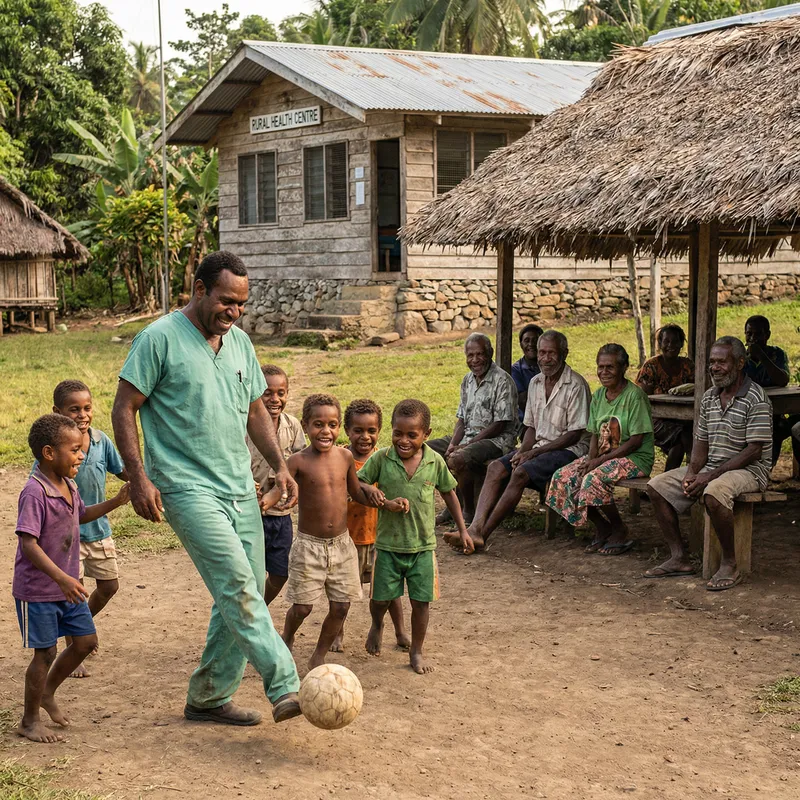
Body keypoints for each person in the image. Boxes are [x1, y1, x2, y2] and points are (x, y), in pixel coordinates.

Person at [112, 251, 302, 727]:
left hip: (239, 486)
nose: (233, 312)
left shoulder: (238, 343)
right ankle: (287, 685)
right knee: (238, 583)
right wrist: (138, 476)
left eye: (240, 304)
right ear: (199, 290)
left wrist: (280, 466)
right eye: (225, 301)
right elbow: (124, 407)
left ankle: (209, 698)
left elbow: (256, 410)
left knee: (246, 586)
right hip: (185, 487)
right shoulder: (159, 339)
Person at [14, 414, 129, 743]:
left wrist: (116, 501)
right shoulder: (34, 492)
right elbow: (28, 544)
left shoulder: (69, 485)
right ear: (49, 453)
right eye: (75, 450)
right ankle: (29, 719)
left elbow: (81, 515)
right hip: (38, 589)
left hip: (66, 585)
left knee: (86, 642)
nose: (82, 455)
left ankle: (47, 693)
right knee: (45, 653)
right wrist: (62, 577)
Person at [645, 336, 773, 591]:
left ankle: (729, 563)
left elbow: (754, 451)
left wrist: (708, 476)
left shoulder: (756, 398)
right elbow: (700, 443)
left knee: (714, 493)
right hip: (713, 467)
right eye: (712, 362)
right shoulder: (709, 398)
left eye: (721, 362)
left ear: (739, 363)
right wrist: (692, 472)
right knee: (656, 486)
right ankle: (678, 557)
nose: (715, 367)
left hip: (749, 470)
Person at [357, 399, 473, 674]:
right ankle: (377, 624)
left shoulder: (435, 461)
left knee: (421, 602)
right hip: (387, 545)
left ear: (427, 434)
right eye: (398, 433)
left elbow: (449, 493)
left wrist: (463, 529)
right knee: (380, 600)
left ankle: (416, 650)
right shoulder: (381, 459)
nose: (403, 440)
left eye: (412, 435)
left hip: (423, 547)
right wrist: (375, 495)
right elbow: (358, 482)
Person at [452, 330, 591, 551]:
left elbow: (574, 434)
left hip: (570, 449)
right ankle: (475, 526)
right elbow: (531, 428)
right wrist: (522, 451)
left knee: (520, 473)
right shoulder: (536, 383)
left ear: (564, 354)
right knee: (497, 467)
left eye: (551, 353)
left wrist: (533, 453)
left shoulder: (576, 385)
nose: (545, 358)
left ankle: (481, 535)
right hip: (539, 447)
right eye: (542, 352)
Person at [281, 393, 390, 670]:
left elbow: (356, 492)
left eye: (332, 425)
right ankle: (287, 636)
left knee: (341, 606)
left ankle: (319, 654)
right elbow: (279, 490)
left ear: (339, 427)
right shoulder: (297, 461)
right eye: (318, 424)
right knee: (303, 607)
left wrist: (383, 500)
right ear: (305, 425)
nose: (325, 431)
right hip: (309, 545)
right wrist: (266, 501)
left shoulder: (344, 457)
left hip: (342, 545)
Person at [48, 380, 129, 679]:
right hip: (68, 537)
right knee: (77, 593)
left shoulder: (100, 440)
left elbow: (122, 470)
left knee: (109, 587)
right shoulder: (54, 450)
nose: (82, 415)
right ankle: (74, 647)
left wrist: (143, 482)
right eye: (74, 409)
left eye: (87, 408)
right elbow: (40, 483)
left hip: (99, 530)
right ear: (58, 412)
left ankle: (79, 628)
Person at [546, 343, 654, 555]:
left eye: (610, 367)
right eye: (600, 367)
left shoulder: (635, 396)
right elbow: (595, 433)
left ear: (624, 368)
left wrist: (597, 463)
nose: (604, 372)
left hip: (635, 457)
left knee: (593, 479)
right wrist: (590, 459)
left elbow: (636, 441)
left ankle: (620, 528)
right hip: (606, 457)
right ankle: (603, 527)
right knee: (563, 477)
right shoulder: (598, 396)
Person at [331, 399, 409, 653]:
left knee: (388, 591)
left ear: (379, 431)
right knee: (342, 593)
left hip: (380, 538)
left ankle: (399, 630)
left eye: (371, 431)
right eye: (358, 430)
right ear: (347, 430)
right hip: (348, 539)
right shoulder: (340, 459)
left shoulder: (385, 460)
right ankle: (337, 633)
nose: (365, 437)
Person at [428, 333, 518, 523]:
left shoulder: (503, 381)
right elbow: (461, 419)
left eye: (480, 354)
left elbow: (499, 424)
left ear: (490, 353)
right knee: (425, 451)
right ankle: (453, 505)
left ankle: (468, 511)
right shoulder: (467, 380)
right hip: (469, 436)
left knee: (460, 458)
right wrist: (453, 443)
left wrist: (466, 445)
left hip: (497, 440)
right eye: (470, 355)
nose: (475, 360)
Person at [246, 364, 305, 606]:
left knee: (280, 573)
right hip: (251, 512)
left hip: (281, 514)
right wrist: (247, 483)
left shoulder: (292, 426)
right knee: (252, 572)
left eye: (281, 393)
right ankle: (249, 616)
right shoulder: (245, 424)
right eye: (267, 393)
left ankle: (258, 609)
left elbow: (301, 462)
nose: (275, 399)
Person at [635, 324, 695, 471]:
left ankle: (670, 480)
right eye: (666, 342)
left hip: (682, 418)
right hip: (651, 418)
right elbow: (644, 399)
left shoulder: (687, 365)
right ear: (660, 343)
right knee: (683, 436)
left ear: (681, 344)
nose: (671, 346)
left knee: (689, 434)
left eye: (675, 342)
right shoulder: (652, 366)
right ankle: (674, 478)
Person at [742, 315, 798, 469]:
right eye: (749, 334)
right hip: (746, 412)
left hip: (773, 411)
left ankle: (767, 468)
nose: (753, 338)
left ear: (767, 335)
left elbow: (783, 380)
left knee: (781, 427)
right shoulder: (739, 357)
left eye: (758, 334)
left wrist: (762, 356)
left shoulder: (776, 354)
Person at [511, 324, 543, 425]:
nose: (531, 344)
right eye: (526, 341)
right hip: (526, 422)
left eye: (535, 340)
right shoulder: (516, 370)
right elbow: (523, 401)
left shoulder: (549, 366)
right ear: (521, 344)